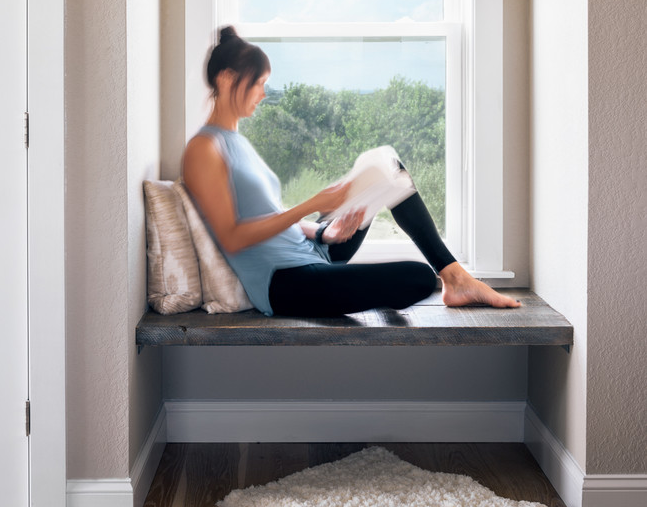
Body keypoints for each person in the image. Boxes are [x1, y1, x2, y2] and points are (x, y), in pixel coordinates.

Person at [182, 26, 521, 318]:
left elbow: (270, 214)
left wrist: (321, 233)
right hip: (287, 282)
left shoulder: (237, 141)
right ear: (227, 79)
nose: (264, 94)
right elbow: (232, 236)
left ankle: (456, 278)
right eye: (258, 83)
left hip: (314, 251)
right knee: (416, 278)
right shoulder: (204, 149)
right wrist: (312, 203)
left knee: (388, 170)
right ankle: (440, 281)